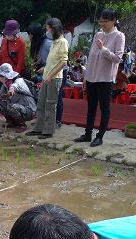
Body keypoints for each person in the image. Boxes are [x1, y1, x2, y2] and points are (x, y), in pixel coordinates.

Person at [73, 8, 125, 148]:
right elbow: (91, 57)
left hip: (105, 79)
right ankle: (87, 134)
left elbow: (117, 58)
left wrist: (103, 49)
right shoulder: (98, 34)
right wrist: (86, 77)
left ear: (113, 21)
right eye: (101, 21)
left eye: (105, 21)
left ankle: (99, 136)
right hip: (92, 77)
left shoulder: (119, 36)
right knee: (91, 108)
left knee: (104, 108)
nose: (102, 24)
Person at [27, 18, 68, 139]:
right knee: (41, 104)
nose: (47, 31)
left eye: (48, 28)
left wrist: (50, 75)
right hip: (47, 77)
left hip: (54, 78)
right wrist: (44, 69)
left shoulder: (62, 42)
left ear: (54, 28)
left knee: (50, 104)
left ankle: (48, 130)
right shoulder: (54, 42)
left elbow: (63, 62)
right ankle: (38, 128)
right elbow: (51, 61)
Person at [0, 19, 25, 122]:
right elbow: (1, 58)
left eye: (9, 34)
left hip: (12, 74)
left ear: (15, 33)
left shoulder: (21, 43)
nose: (7, 36)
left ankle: (13, 118)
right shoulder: (4, 41)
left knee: (12, 96)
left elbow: (21, 61)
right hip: (3, 73)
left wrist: (15, 76)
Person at [0, 63, 36, 132]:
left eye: (1, 75)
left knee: (13, 107)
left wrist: (9, 93)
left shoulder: (19, 81)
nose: (0, 77)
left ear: (6, 76)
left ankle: (22, 124)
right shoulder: (5, 84)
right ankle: (12, 122)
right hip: (18, 107)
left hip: (29, 110)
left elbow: (14, 87)